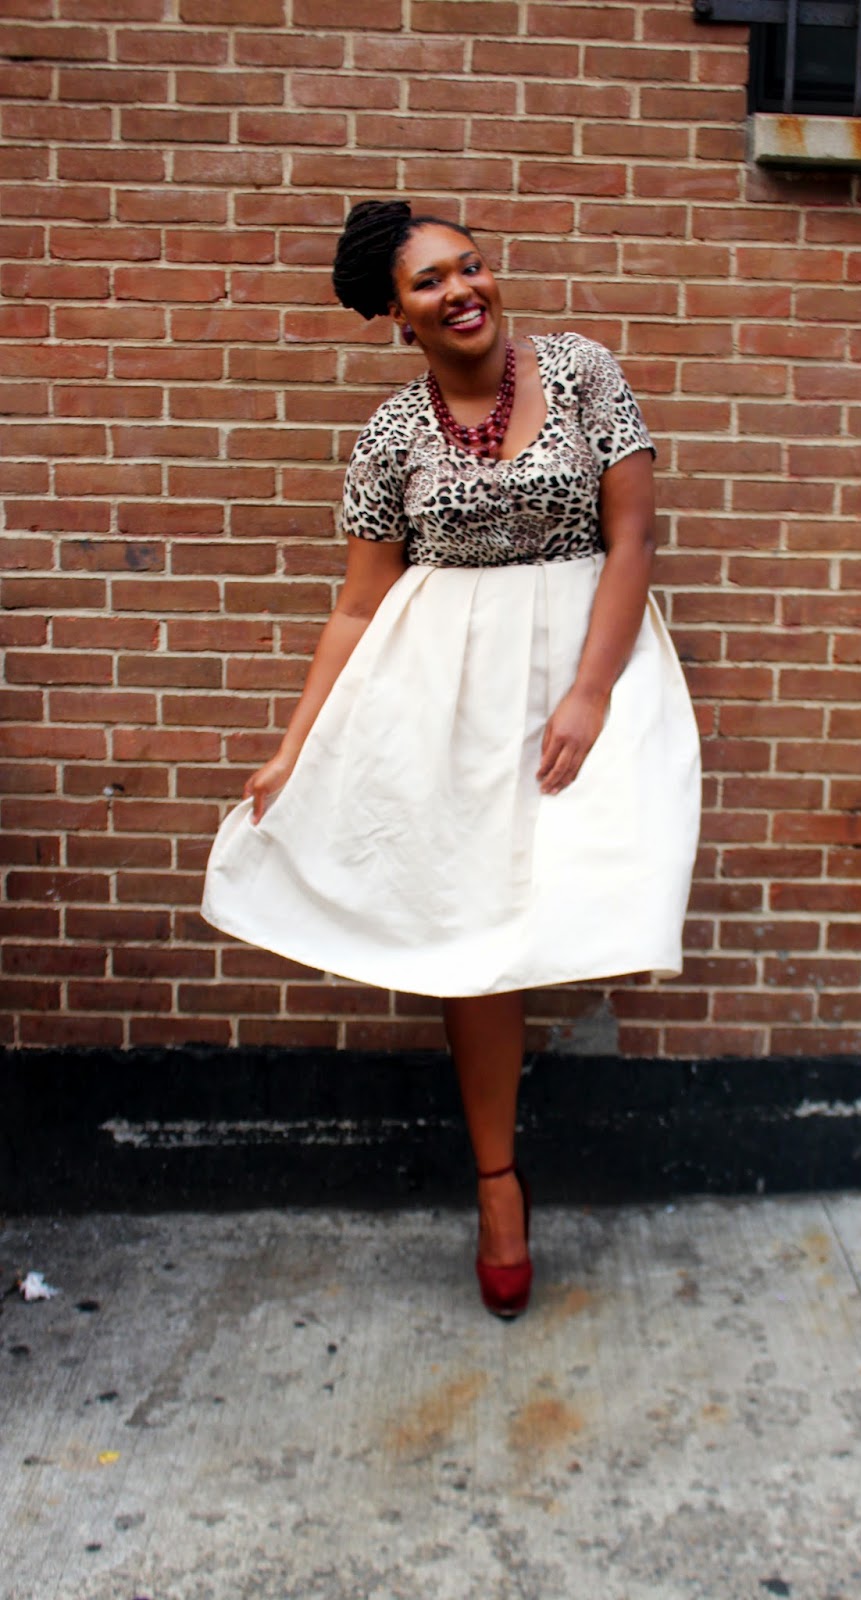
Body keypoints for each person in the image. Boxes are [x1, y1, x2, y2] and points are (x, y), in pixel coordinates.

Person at [201, 199, 701, 1320]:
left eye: (468, 265)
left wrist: (588, 689)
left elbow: (633, 537)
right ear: (393, 315)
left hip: (586, 664)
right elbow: (357, 603)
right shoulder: (389, 434)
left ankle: (507, 1165)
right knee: (473, 936)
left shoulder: (577, 369)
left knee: (606, 873)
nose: (460, 289)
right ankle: (497, 1186)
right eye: (428, 282)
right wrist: (293, 747)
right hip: (443, 691)